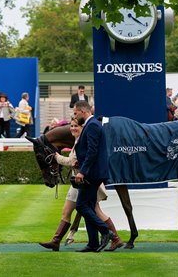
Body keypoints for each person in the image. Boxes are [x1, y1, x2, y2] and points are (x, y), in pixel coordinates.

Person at [39, 117, 123, 252]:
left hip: (85, 180)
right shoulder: (77, 141)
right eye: (71, 126)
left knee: (95, 211)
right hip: (78, 181)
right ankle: (56, 241)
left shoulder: (81, 140)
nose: (73, 128)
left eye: (75, 126)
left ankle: (114, 237)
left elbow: (71, 161)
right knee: (66, 211)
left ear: (82, 128)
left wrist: (55, 157)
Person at [73, 101, 113, 252]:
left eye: (76, 113)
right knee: (88, 206)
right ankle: (93, 243)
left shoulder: (93, 125)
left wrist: (82, 171)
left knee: (81, 206)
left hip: (92, 174)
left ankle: (105, 231)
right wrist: (80, 163)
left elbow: (92, 151)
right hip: (93, 172)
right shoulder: (92, 125)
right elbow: (88, 151)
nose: (75, 117)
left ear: (83, 111)